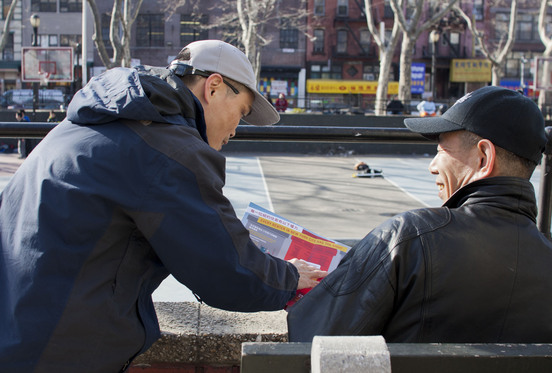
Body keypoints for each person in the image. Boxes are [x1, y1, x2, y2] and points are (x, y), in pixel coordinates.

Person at [0, 40, 326, 372]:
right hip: (57, 350)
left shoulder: (98, 119)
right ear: (213, 88)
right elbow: (227, 271)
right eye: (240, 113)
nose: (235, 130)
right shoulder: (169, 150)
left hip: (18, 329)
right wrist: (290, 276)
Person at [288, 86, 552, 343]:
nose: (432, 165)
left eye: (441, 149)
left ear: (483, 157)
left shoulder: (409, 238)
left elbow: (310, 340)